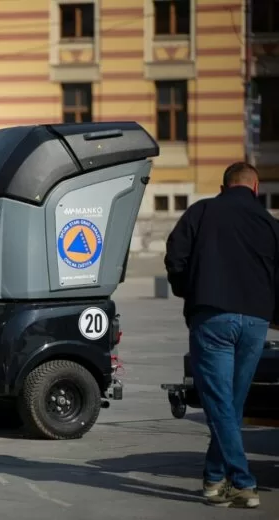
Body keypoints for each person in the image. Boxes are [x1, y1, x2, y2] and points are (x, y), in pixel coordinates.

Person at [164, 161, 279, 509]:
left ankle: (243, 483)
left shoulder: (202, 212)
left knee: (219, 405)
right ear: (255, 188)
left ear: (224, 186)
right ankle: (214, 481)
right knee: (230, 404)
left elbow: (175, 257)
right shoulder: (270, 224)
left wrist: (191, 291)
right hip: (256, 323)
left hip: (212, 316)